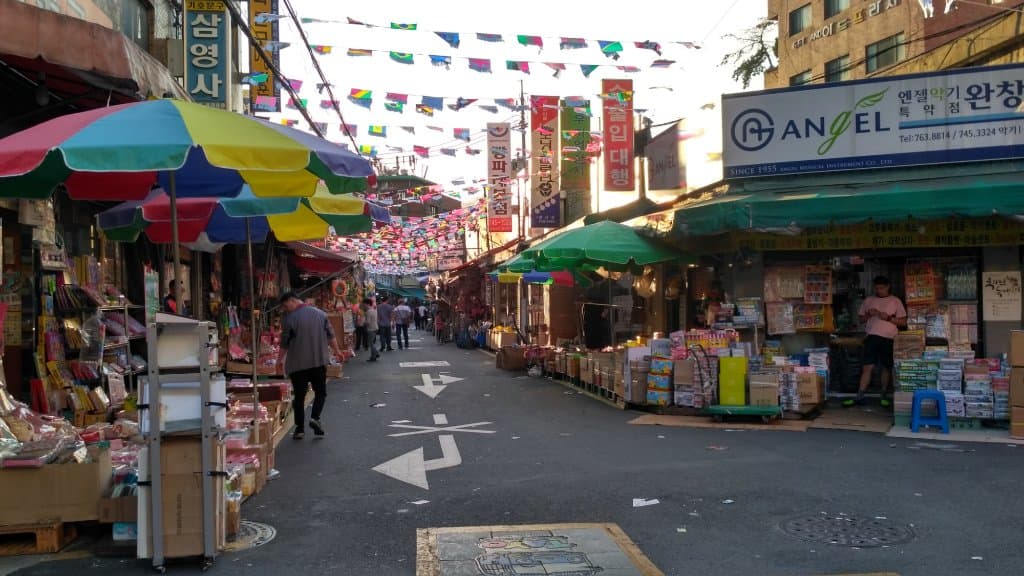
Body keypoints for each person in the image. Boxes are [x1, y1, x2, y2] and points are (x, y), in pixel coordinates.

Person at [277, 291, 342, 439]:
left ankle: (299, 429)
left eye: (286, 306)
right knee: (320, 392)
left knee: (299, 397)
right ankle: (315, 417)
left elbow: (284, 343)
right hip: (318, 362)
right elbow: (331, 335)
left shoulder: (289, 319)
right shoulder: (321, 314)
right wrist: (337, 351)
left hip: (297, 365)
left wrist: (279, 360)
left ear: (293, 301)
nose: (286, 309)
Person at [845, 275, 907, 407]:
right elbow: (860, 319)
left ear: (888, 287)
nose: (879, 290)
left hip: (889, 338)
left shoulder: (895, 301)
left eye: (882, 288)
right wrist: (869, 315)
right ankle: (860, 395)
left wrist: (888, 318)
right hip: (871, 337)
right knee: (867, 367)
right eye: (877, 288)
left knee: (886, 367)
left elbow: (903, 322)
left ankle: (883, 394)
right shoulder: (869, 300)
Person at [363, 298, 380, 362]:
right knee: (372, 342)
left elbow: (368, 322)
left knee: (371, 343)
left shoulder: (368, 312)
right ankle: (373, 356)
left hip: (371, 329)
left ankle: (376, 354)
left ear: (367, 304)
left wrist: (363, 323)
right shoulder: (374, 310)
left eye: (364, 304)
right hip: (375, 327)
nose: (363, 305)